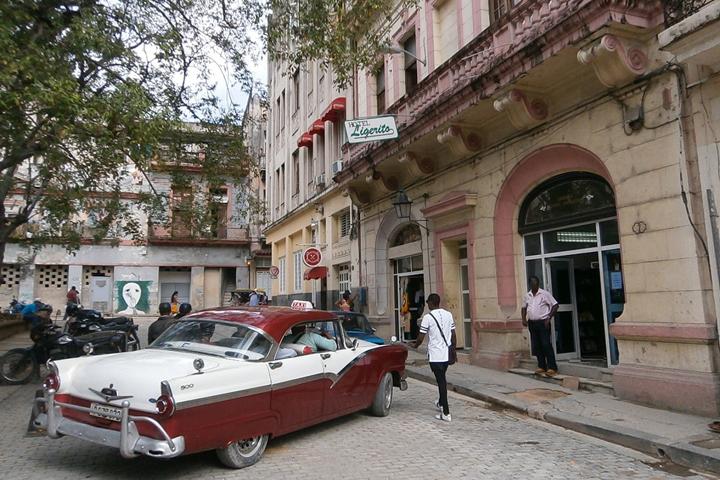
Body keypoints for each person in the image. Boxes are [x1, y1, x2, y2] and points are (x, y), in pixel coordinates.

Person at [411, 293, 456, 423]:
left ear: (431, 303)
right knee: (442, 379)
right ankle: (441, 402)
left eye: (427, 302)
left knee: (441, 382)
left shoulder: (428, 317)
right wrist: (453, 349)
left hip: (436, 355)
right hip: (446, 354)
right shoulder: (448, 315)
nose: (427, 304)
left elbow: (421, 337)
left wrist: (415, 345)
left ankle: (446, 412)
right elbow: (453, 334)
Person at [521, 275, 559, 377]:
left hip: (543, 322)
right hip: (532, 323)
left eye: (536, 283)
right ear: (530, 284)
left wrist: (549, 317)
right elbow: (524, 308)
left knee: (546, 344)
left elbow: (555, 305)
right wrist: (524, 319)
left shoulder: (544, 294)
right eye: (533, 283)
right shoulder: (527, 295)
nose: (535, 285)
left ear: (538, 284)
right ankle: (541, 366)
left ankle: (552, 367)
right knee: (536, 345)